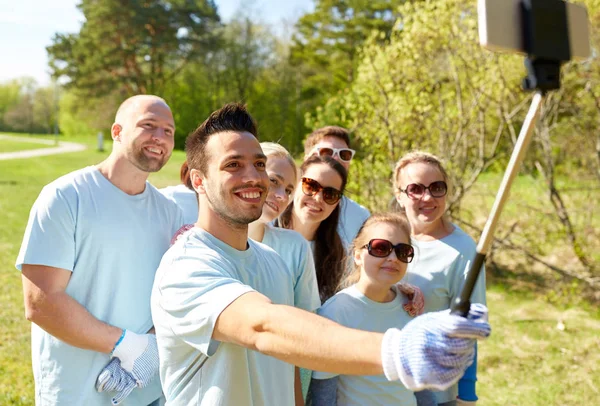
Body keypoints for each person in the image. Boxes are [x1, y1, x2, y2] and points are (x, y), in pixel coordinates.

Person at [151, 103, 491, 406]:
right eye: (233, 165)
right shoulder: (185, 266)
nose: (253, 176)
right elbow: (263, 327)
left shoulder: (274, 262)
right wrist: (397, 351)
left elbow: (293, 356)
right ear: (198, 180)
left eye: (258, 164)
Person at [16, 95, 185, 405]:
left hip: (143, 390)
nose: (160, 137)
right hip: (75, 391)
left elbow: (165, 296)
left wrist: (149, 351)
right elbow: (40, 303)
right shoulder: (65, 197)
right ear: (117, 132)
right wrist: (127, 346)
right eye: (148, 125)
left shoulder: (169, 213)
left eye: (169, 131)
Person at [307, 212, 437, 406]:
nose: (393, 258)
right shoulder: (337, 311)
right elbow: (323, 392)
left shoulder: (409, 306)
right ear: (358, 255)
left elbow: (420, 380)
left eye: (402, 251)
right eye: (381, 248)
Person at [392, 151, 487, 406]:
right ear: (399, 196)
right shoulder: (386, 239)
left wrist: (467, 395)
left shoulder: (464, 249)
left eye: (437, 188)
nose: (428, 197)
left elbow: (468, 328)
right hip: (382, 386)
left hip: (436, 392)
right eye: (415, 189)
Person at [248, 142, 321, 403]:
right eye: (273, 181)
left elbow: (304, 332)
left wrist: (296, 398)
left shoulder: (295, 247)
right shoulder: (204, 243)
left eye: (289, 189)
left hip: (276, 389)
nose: (281, 195)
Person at [276, 155, 347, 303]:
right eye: (311, 186)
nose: (318, 198)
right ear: (296, 184)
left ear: (337, 203)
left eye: (330, 194)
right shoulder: (263, 231)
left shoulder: (340, 256)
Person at [303, 126, 370, 248]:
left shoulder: (361, 216)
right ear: (307, 157)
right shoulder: (281, 201)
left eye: (344, 154)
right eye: (326, 152)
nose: (336, 159)